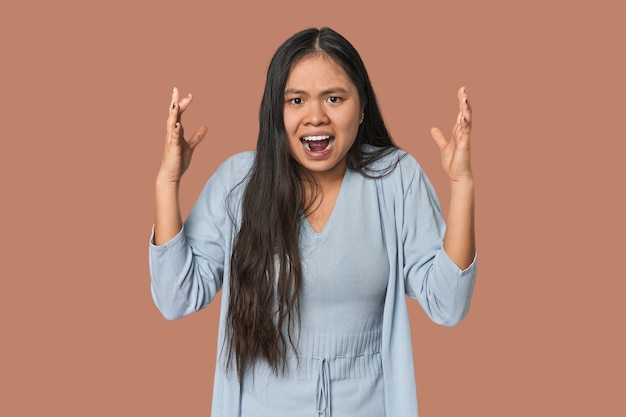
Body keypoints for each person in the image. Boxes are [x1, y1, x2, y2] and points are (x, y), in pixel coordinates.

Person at [149, 27, 477, 417]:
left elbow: (448, 303)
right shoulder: (237, 183)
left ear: (362, 108)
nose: (315, 116)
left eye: (334, 98)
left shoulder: (396, 178)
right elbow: (175, 298)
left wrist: (461, 183)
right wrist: (168, 182)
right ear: (277, 110)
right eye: (296, 100)